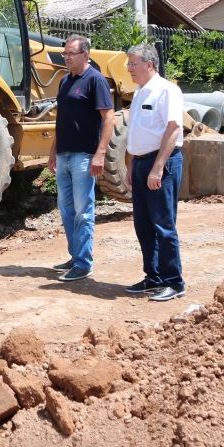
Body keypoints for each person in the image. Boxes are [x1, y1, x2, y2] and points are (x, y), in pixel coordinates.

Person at [48, 34, 114, 282]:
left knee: (83, 211)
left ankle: (84, 263)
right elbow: (61, 119)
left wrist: (101, 153)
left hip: (85, 156)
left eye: (71, 54)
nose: (66, 57)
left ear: (85, 55)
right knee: (66, 210)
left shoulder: (95, 80)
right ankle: (76, 255)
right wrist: (54, 150)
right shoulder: (65, 82)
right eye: (65, 54)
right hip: (64, 155)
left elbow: (109, 118)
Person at [123, 43, 186, 302]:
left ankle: (174, 281)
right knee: (143, 224)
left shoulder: (167, 90)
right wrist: (130, 165)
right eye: (129, 64)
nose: (129, 69)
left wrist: (158, 167)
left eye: (133, 64)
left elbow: (173, 130)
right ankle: (154, 276)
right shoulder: (139, 92)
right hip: (140, 164)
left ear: (149, 64)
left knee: (163, 224)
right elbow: (136, 131)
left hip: (161, 163)